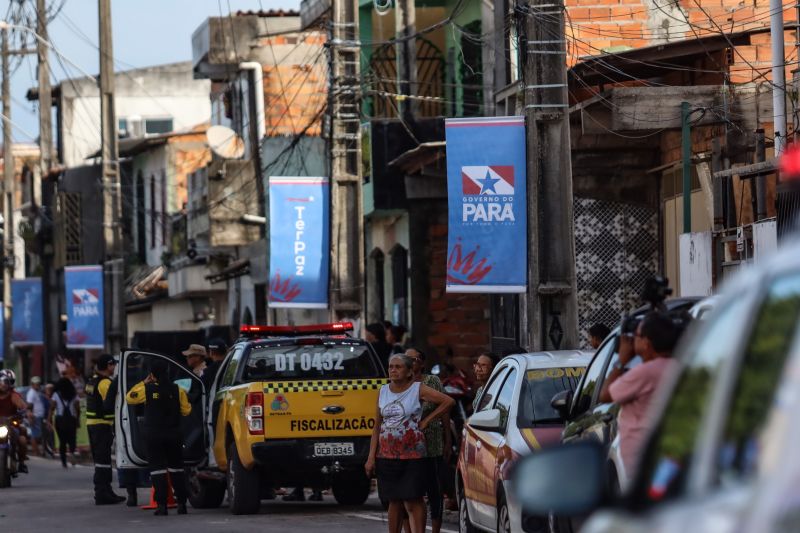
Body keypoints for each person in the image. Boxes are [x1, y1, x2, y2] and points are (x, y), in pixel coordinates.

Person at [366, 354, 454, 533]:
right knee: (394, 500)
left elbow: (448, 401)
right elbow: (377, 426)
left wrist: (427, 421)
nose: (393, 370)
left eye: (398, 367)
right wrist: (371, 457)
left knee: (413, 499)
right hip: (387, 455)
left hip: (413, 455)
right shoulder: (383, 391)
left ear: (408, 372)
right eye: (391, 366)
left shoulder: (417, 389)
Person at [600, 312, 680, 474]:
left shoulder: (644, 373)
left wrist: (621, 360)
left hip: (642, 463)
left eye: (637, 336)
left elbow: (606, 394)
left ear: (646, 343)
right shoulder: (677, 366)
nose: (632, 340)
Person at [126, 358, 192, 516]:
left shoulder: (147, 390)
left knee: (157, 470)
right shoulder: (178, 390)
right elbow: (186, 411)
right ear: (167, 372)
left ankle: (161, 505)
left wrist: (144, 382)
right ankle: (182, 504)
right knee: (176, 469)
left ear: (152, 374)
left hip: (154, 435)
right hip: (173, 434)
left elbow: (130, 397)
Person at [406, 348, 451, 533]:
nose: (410, 362)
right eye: (406, 359)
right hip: (406, 447)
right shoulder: (400, 384)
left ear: (422, 364)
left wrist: (447, 439)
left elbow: (446, 409)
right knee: (409, 491)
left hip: (432, 444)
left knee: (434, 489)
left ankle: (435, 530)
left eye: (414, 359)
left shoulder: (432, 381)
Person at [86, 354, 126, 505]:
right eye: (113, 365)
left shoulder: (92, 381)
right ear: (108, 365)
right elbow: (110, 404)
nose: (115, 367)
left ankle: (106, 491)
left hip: (93, 425)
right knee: (103, 460)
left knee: (101, 460)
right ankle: (102, 493)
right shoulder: (104, 383)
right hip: (102, 425)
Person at [0, 370, 29, 473]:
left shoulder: (13, 395)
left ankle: (21, 463)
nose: (5, 385)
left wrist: (26, 411)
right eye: (4, 382)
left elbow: (22, 405)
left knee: (22, 440)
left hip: (10, 425)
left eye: (8, 382)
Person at [51, 377, 80, 469]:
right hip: (71, 419)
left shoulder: (56, 394)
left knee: (62, 441)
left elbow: (52, 408)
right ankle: (71, 453)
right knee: (72, 439)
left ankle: (63, 461)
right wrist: (77, 419)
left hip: (60, 420)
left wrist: (49, 419)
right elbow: (77, 408)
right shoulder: (74, 394)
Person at [25, 376, 48, 456]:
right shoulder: (31, 393)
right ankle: (36, 452)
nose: (38, 385)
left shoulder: (38, 392)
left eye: (38, 383)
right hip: (35, 416)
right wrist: (30, 416)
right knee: (35, 435)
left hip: (40, 416)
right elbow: (29, 406)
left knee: (40, 435)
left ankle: (40, 451)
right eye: (36, 384)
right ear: (32, 384)